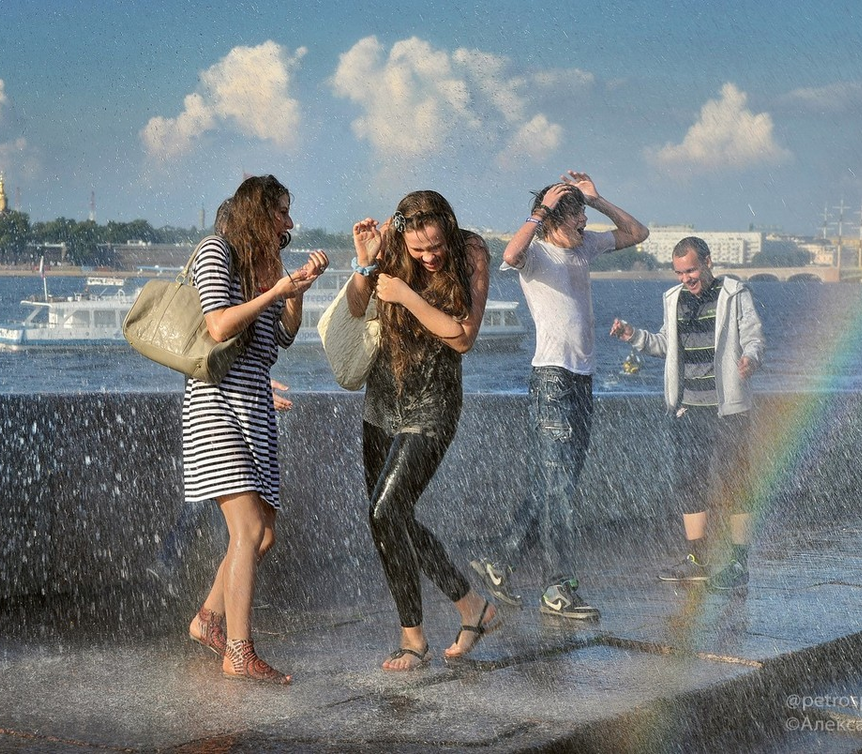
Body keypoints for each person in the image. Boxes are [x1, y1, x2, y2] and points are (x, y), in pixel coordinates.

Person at [471, 171, 649, 621]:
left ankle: (499, 561)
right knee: (560, 490)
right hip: (552, 379)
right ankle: (557, 589)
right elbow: (508, 254)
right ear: (554, 219)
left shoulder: (584, 248)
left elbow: (637, 233)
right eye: (578, 218)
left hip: (582, 379)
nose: (585, 225)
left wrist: (596, 197)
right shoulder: (537, 253)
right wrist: (539, 213)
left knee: (555, 485)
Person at [183, 175, 328, 684]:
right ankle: (239, 652)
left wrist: (296, 293)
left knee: (263, 536)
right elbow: (219, 326)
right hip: (216, 408)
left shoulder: (262, 263)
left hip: (255, 409)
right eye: (281, 212)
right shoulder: (215, 251)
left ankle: (207, 620)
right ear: (257, 212)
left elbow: (281, 339)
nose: (289, 222)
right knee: (246, 530)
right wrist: (277, 291)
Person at [346, 190, 499, 671]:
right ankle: (473, 607)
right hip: (382, 402)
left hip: (433, 404)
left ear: (448, 228)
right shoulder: (389, 245)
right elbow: (355, 306)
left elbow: (464, 336)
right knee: (390, 518)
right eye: (419, 251)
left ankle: (413, 639)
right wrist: (366, 263)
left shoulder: (471, 251)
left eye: (435, 246)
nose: (430, 256)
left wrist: (407, 295)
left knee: (387, 509)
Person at [610, 236, 764, 591]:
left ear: (708, 261)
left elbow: (755, 337)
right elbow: (666, 345)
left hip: (728, 409)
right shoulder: (674, 299)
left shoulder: (734, 293)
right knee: (690, 482)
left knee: (736, 482)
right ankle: (697, 559)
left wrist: (751, 358)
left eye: (691, 270)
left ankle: (740, 561)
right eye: (680, 272)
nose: (686, 278)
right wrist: (633, 335)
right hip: (688, 409)